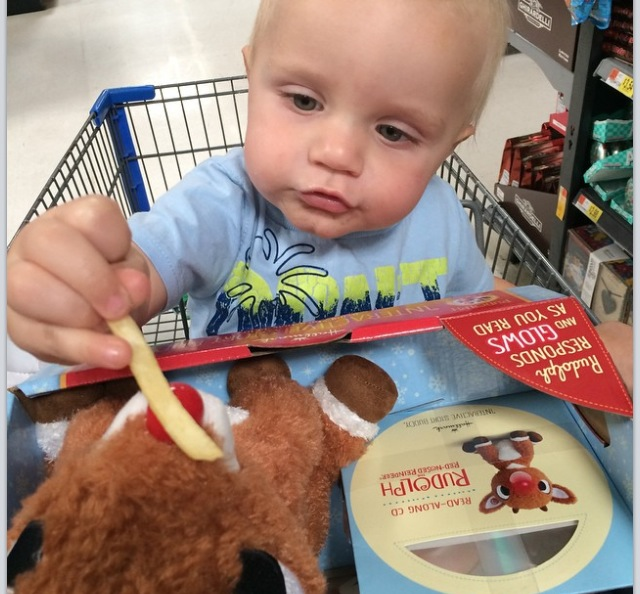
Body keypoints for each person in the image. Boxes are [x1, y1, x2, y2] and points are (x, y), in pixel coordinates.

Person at [6, 0, 632, 394]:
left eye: (393, 132)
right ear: (252, 74)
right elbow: (142, 266)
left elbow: (479, 300)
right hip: (252, 459)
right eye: (304, 100)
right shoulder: (223, 205)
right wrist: (90, 283)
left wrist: (578, 338)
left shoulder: (440, 215)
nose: (336, 154)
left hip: (402, 454)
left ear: (449, 144)